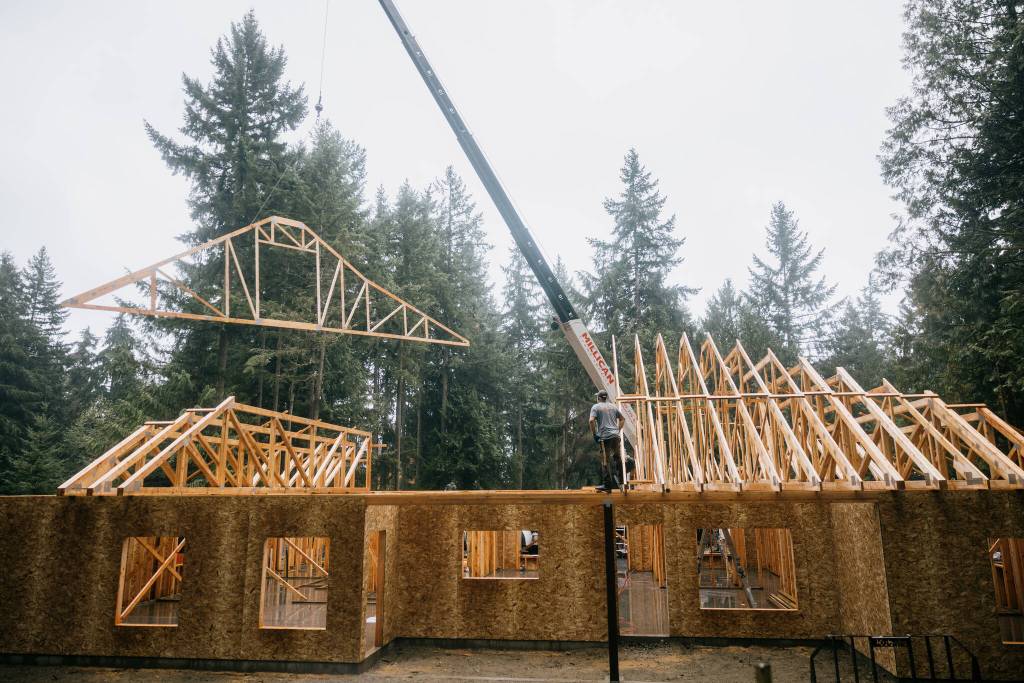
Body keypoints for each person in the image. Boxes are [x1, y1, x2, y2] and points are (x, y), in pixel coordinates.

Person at [589, 389, 625, 491]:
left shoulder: (596, 407)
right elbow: (622, 419)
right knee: (618, 458)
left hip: (605, 437)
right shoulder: (613, 406)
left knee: (605, 460)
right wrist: (617, 430)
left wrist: (594, 434)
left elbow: (591, 420)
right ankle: (622, 481)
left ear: (599, 398)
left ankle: (607, 485)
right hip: (615, 437)